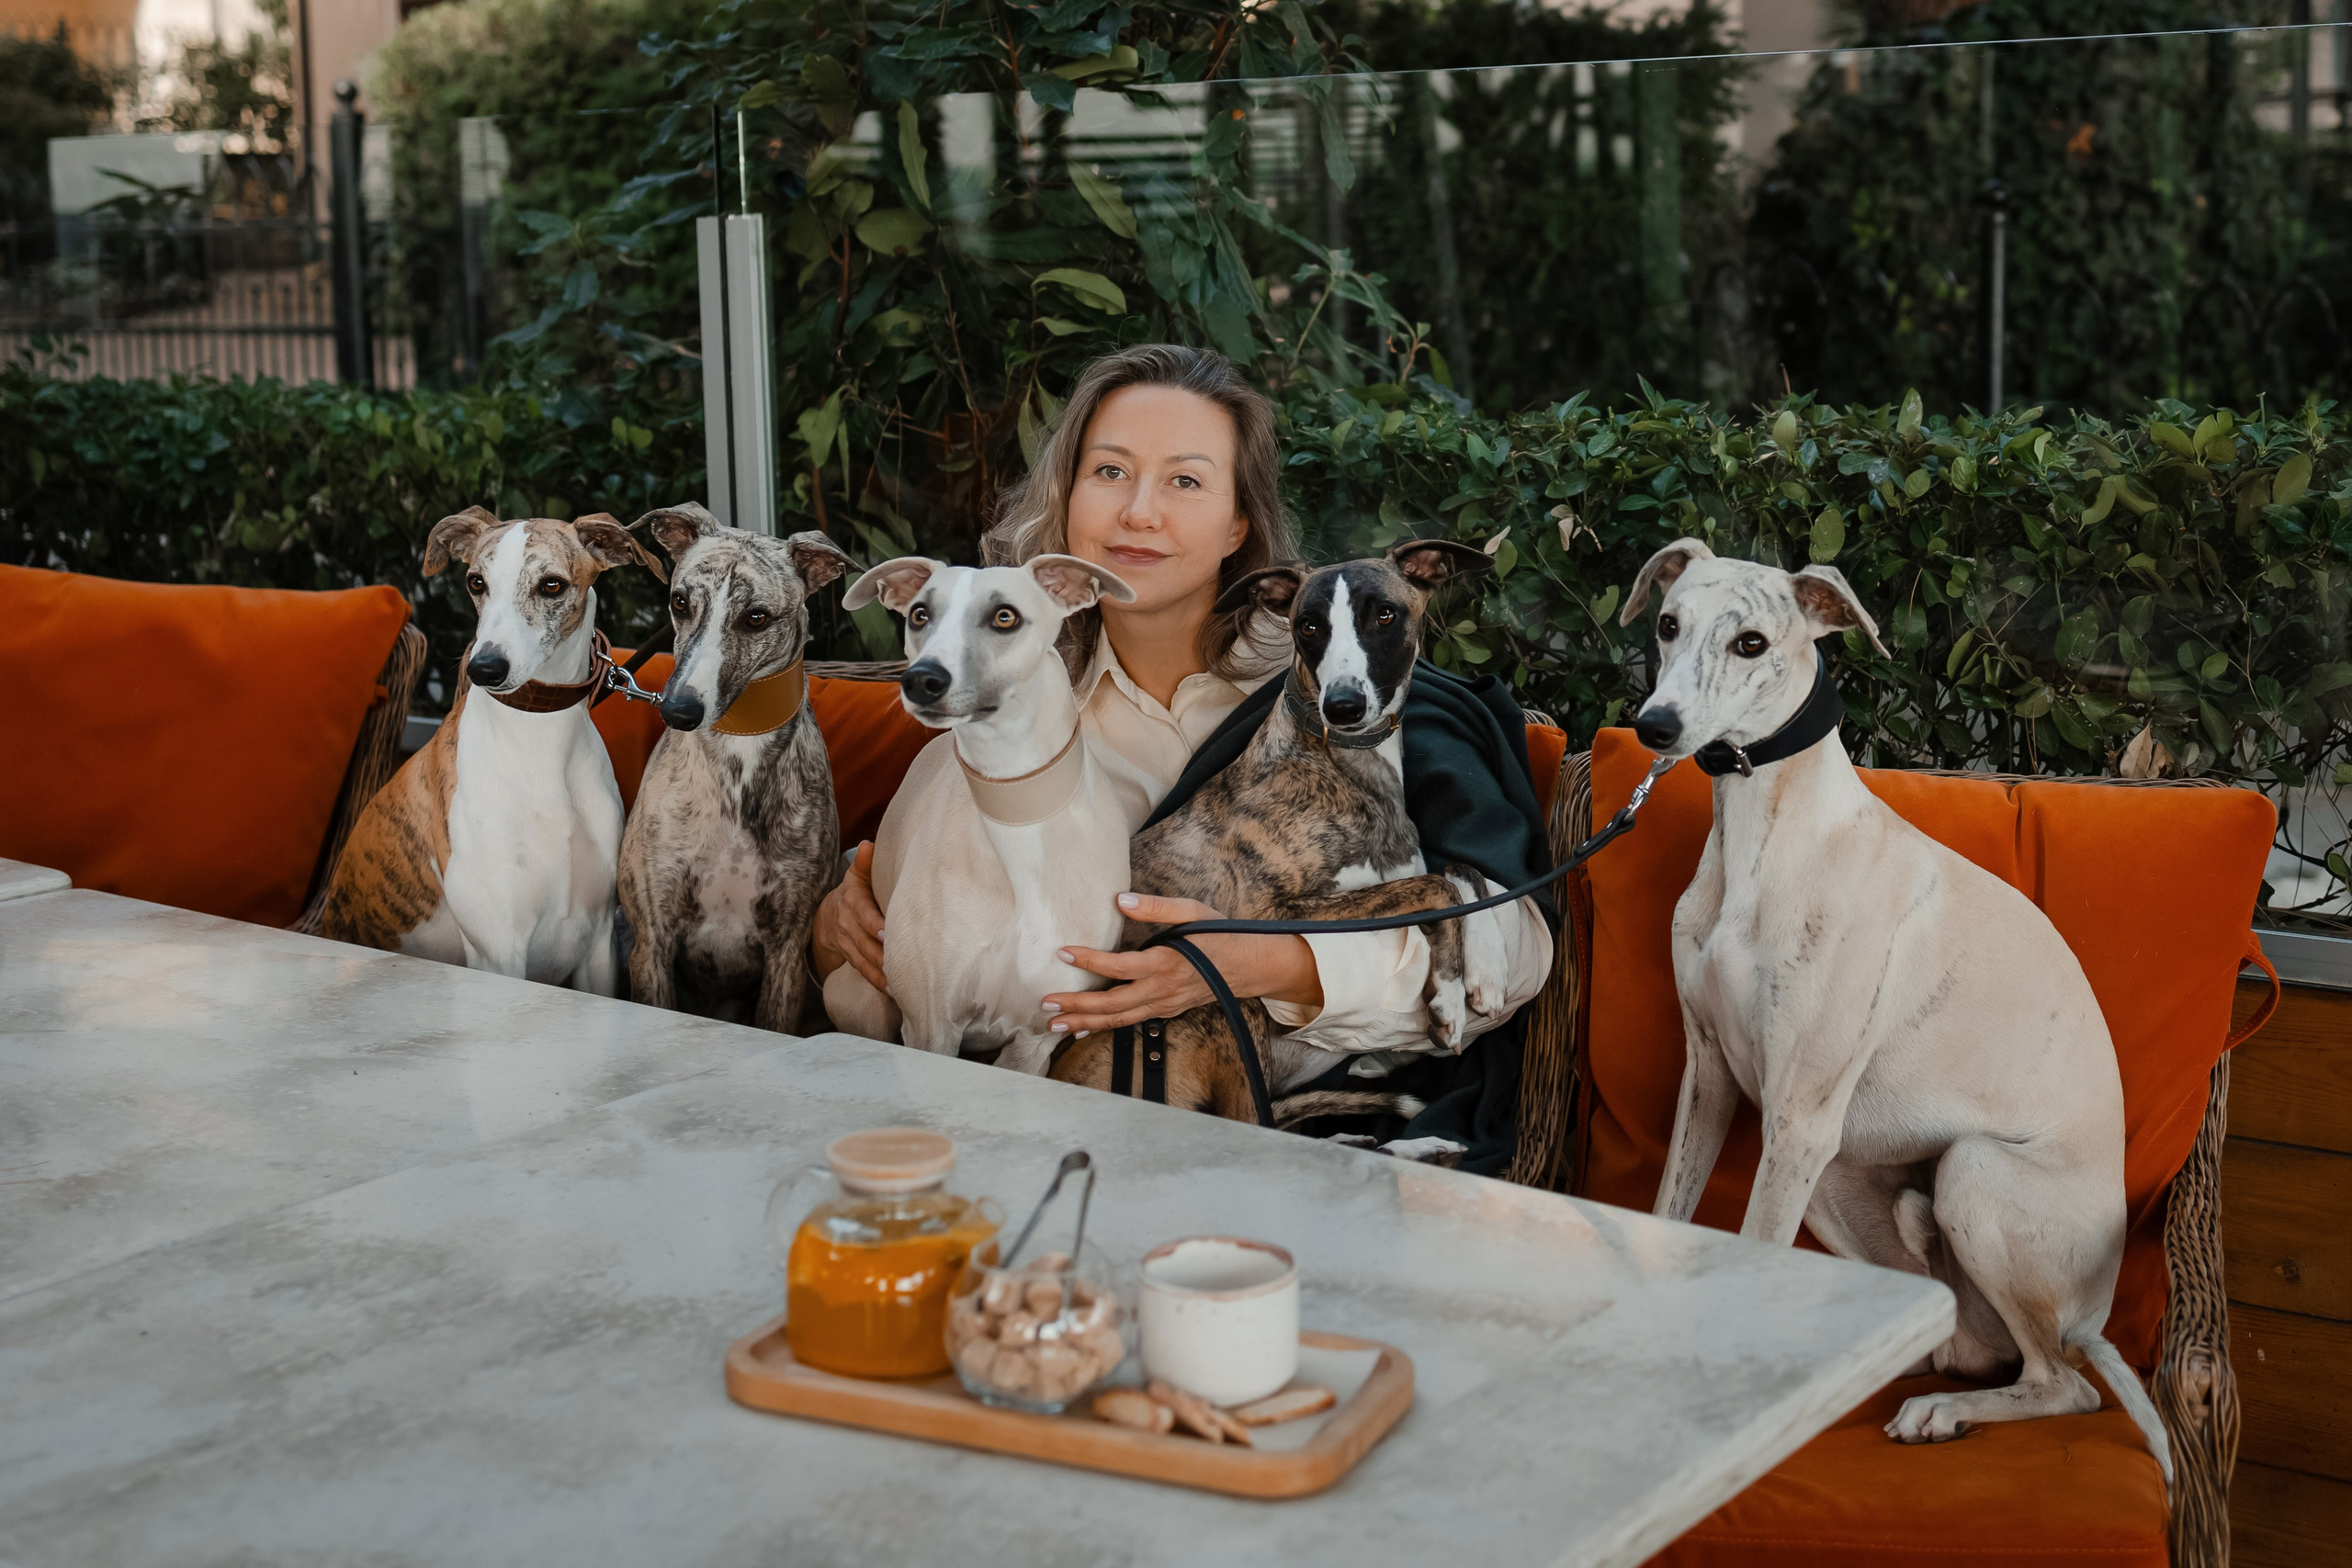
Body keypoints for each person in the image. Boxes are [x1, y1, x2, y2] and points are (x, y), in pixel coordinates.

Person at [809, 343, 1555, 1173]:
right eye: (1111, 472)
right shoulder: (1003, 708)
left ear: (1240, 521)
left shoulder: (1361, 696)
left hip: (1327, 1115)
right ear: (1065, 500)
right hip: (1059, 1123)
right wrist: (833, 926)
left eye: (1185, 480)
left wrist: (1261, 964)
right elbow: (925, 909)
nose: (1139, 512)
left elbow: (1512, 950)